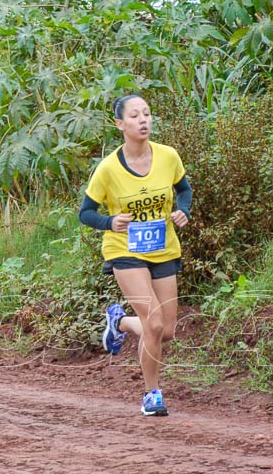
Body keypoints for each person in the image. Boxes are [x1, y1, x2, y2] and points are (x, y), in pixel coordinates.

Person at [79, 94, 193, 417]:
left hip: (163, 248)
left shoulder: (168, 157)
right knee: (153, 322)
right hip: (124, 251)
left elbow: (183, 189)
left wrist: (182, 210)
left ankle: (121, 322)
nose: (143, 120)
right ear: (120, 124)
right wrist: (110, 222)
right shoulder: (108, 169)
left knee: (166, 330)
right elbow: (85, 213)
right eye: (134, 115)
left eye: (147, 113)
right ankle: (151, 394)